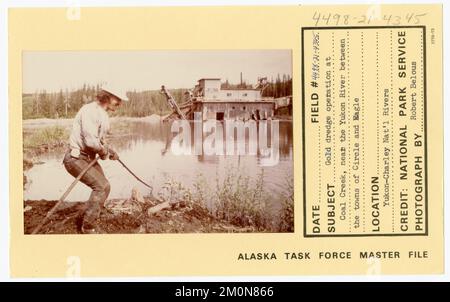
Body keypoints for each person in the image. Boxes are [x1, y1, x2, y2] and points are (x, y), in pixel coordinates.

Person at [62, 85, 129, 234]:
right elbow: (91, 143)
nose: (120, 103)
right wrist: (104, 150)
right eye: (117, 99)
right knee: (102, 186)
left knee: (105, 187)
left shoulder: (103, 115)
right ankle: (88, 227)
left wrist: (109, 152)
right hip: (75, 158)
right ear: (107, 96)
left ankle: (91, 215)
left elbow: (100, 142)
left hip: (87, 158)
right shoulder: (90, 111)